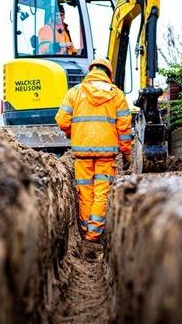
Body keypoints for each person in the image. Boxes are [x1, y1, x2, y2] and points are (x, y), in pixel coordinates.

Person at [55, 58, 133, 243]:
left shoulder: (75, 92)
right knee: (102, 194)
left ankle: (85, 232)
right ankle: (94, 235)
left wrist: (73, 132)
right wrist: (126, 153)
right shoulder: (118, 95)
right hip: (107, 155)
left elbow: (62, 120)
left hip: (82, 153)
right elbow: (124, 129)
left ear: (91, 71)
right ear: (108, 73)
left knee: (85, 193)